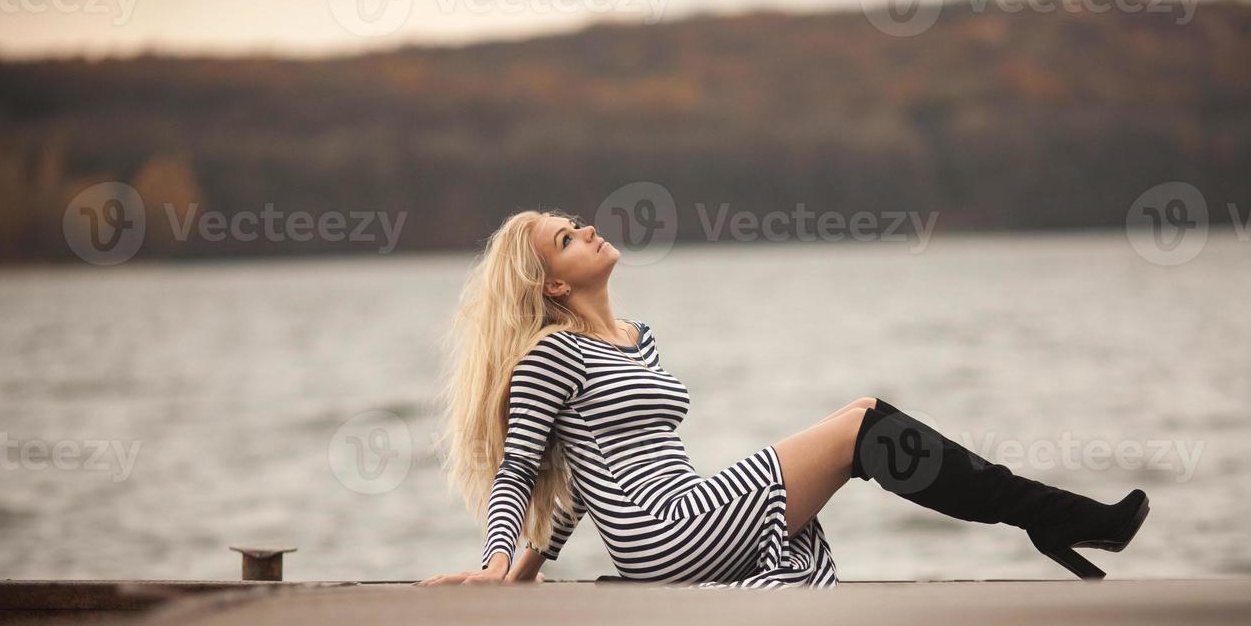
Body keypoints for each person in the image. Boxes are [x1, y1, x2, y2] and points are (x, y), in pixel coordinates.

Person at [418, 210, 1148, 588]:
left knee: (860, 412)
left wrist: (536, 564)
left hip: (686, 510)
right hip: (663, 535)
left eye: (578, 224)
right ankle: (1059, 519)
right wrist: (497, 562)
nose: (589, 231)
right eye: (569, 239)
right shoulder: (551, 354)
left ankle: (1051, 521)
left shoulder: (637, 338)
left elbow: (581, 476)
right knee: (862, 425)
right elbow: (522, 470)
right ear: (554, 284)